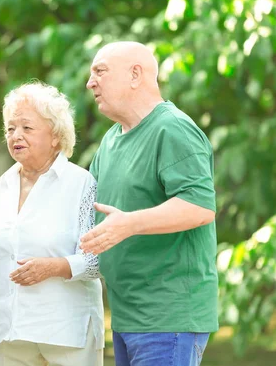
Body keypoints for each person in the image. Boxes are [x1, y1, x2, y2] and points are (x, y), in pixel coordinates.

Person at [0, 82, 104, 366]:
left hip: (67, 333)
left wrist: (54, 267)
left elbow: (97, 259)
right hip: (11, 332)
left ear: (55, 136)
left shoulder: (81, 183)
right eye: (10, 128)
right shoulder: (5, 183)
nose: (16, 135)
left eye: (27, 128)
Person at [80, 41, 218, 366]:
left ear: (135, 75)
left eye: (100, 72)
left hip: (169, 318)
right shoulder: (111, 140)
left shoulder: (173, 129)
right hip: (128, 316)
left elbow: (199, 207)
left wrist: (128, 224)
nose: (90, 83)